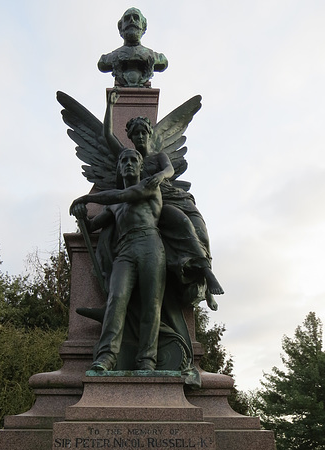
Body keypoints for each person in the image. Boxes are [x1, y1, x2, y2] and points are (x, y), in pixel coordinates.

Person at [103, 89, 224, 310]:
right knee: (183, 224)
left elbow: (169, 170)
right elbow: (108, 137)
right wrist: (109, 106)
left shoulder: (159, 156)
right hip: (158, 204)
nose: (140, 137)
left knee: (201, 232)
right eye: (136, 134)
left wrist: (159, 176)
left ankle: (205, 286)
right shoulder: (131, 159)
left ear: (149, 134)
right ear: (130, 137)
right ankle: (206, 273)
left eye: (144, 133)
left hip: (175, 196)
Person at [70, 148, 166, 372]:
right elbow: (94, 225)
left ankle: (147, 360)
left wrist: (87, 197)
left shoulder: (150, 186)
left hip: (150, 244)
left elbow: (123, 195)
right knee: (116, 299)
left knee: (151, 304)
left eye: (134, 160)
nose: (130, 164)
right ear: (119, 167)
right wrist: (82, 215)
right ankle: (106, 357)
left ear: (141, 167)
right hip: (125, 249)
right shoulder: (112, 204)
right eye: (125, 161)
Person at [98, 8, 168, 87]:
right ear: (121, 28)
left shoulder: (157, 57)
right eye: (127, 18)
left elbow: (163, 63)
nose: (132, 21)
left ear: (143, 26)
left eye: (136, 18)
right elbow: (102, 65)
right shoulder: (106, 59)